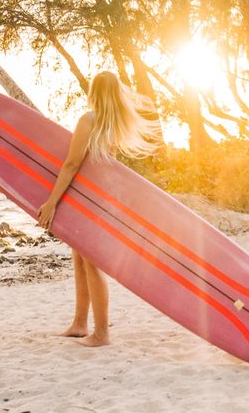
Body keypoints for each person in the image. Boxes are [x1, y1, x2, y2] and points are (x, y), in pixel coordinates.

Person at [36, 71, 161, 347]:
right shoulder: (112, 125)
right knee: (81, 258)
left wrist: (52, 202)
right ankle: (80, 324)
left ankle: (102, 333)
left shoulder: (89, 120)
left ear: (95, 92)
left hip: (87, 200)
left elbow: (72, 164)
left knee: (91, 261)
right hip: (100, 200)